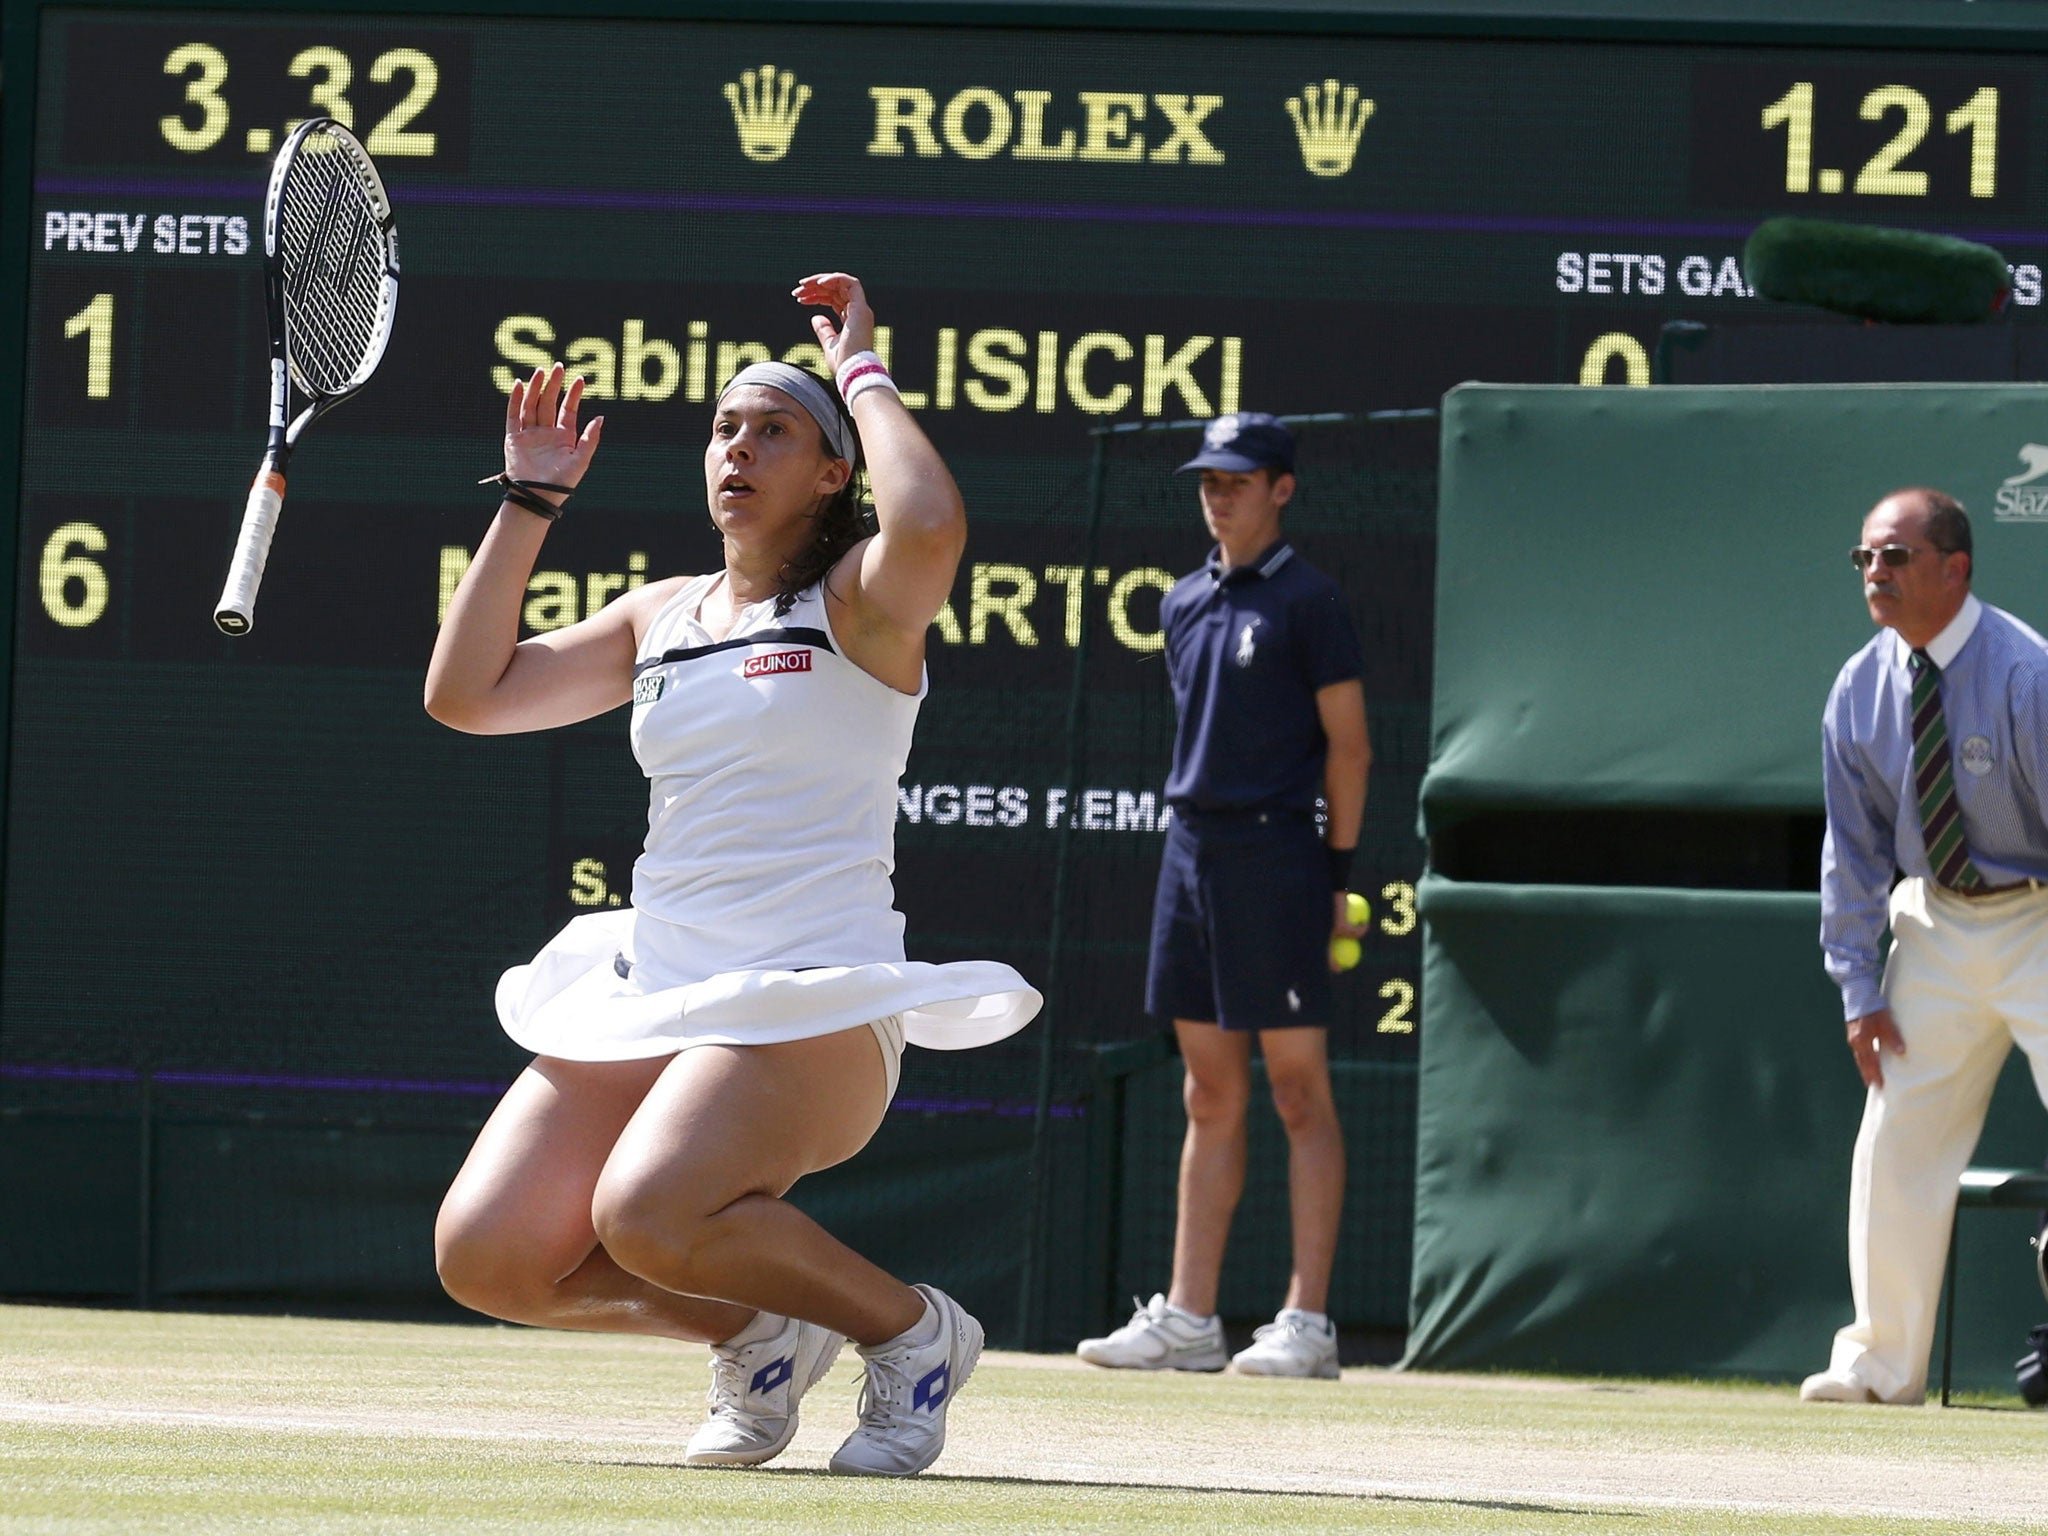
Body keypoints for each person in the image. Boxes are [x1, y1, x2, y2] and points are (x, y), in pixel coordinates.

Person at [427, 273, 1039, 1475]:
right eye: (723, 428)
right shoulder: (658, 616)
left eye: (773, 431)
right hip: (656, 990)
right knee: (488, 1257)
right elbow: (466, 695)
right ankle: (758, 1334)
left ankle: (910, 1334)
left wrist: (860, 371)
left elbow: (928, 527)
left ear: (831, 473)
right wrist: (530, 500)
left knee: (644, 1211)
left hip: (811, 1000)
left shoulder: (860, 607)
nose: (738, 448)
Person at [1076, 413, 1370, 1379]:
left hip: (1278, 857)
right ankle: (1191, 1317)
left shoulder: (1311, 601)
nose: (1219, 495)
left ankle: (1308, 1324)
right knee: (1208, 1091)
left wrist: (1337, 877)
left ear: (1282, 489)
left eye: (1238, 480)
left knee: (1296, 1089)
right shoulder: (1182, 600)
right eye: (1210, 480)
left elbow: (1350, 749)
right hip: (1190, 854)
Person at [1802, 487, 2048, 1406]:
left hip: (2042, 918)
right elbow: (1852, 853)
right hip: (1936, 921)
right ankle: (1877, 1368)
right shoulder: (1857, 689)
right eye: (1865, 557)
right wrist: (1859, 990)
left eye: (1896, 556)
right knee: (1897, 1138)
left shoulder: (2027, 675)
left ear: (1956, 569)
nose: (1876, 572)